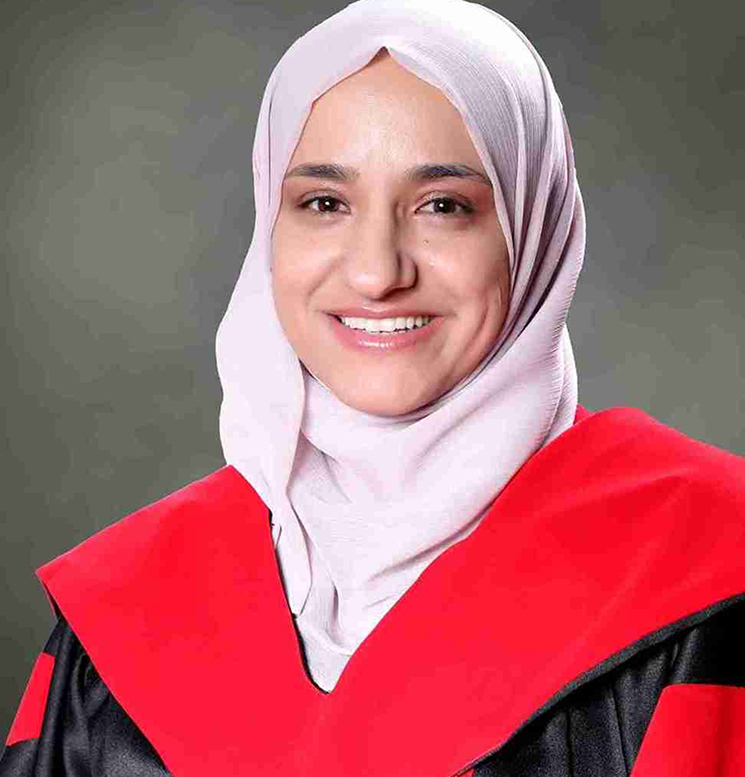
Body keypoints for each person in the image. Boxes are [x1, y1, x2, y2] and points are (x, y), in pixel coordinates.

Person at [2, 0, 744, 774]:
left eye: (443, 206)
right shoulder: (128, 611)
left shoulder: (705, 575)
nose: (376, 272)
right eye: (324, 203)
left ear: (533, 228)